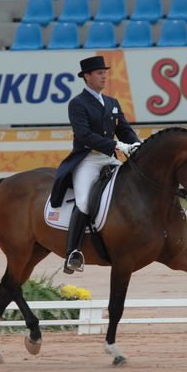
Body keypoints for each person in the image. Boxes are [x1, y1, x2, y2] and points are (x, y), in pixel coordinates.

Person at [50, 56, 141, 274]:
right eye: (99, 73)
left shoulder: (112, 103)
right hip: (88, 160)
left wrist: (137, 144)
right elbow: (85, 135)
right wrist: (117, 145)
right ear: (87, 76)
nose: (104, 76)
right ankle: (73, 252)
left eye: (104, 73)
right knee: (83, 202)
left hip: (109, 158)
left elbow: (125, 130)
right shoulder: (77, 104)